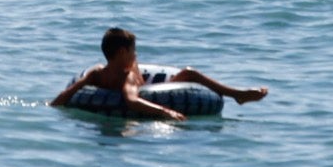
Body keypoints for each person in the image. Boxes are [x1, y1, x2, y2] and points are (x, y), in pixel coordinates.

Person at [49, 28, 267, 120]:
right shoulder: (120, 75)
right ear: (123, 52)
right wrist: (167, 112)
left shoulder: (101, 73)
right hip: (143, 92)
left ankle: (238, 94)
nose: (136, 55)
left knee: (187, 74)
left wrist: (52, 106)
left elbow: (67, 94)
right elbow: (132, 101)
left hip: (146, 90)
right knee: (190, 73)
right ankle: (238, 94)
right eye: (133, 51)